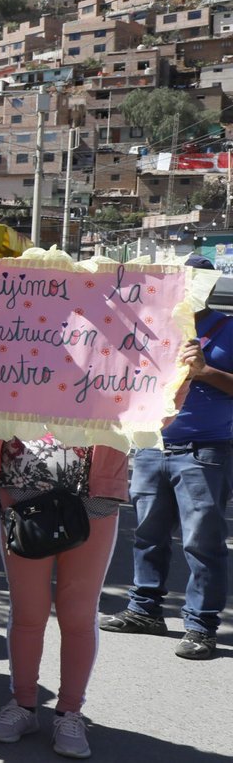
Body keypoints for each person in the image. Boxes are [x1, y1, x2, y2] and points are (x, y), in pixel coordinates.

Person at [101, 254, 233, 660]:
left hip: (205, 450)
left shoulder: (227, 329)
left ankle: (201, 625)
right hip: (151, 446)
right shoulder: (151, 325)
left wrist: (207, 372)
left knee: (202, 541)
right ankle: (145, 610)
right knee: (146, 534)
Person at [0, 436, 128, 760]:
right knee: (28, 611)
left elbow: (157, 404)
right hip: (22, 486)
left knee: (78, 613)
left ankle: (69, 713)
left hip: (95, 497)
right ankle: (23, 704)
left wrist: (181, 382)